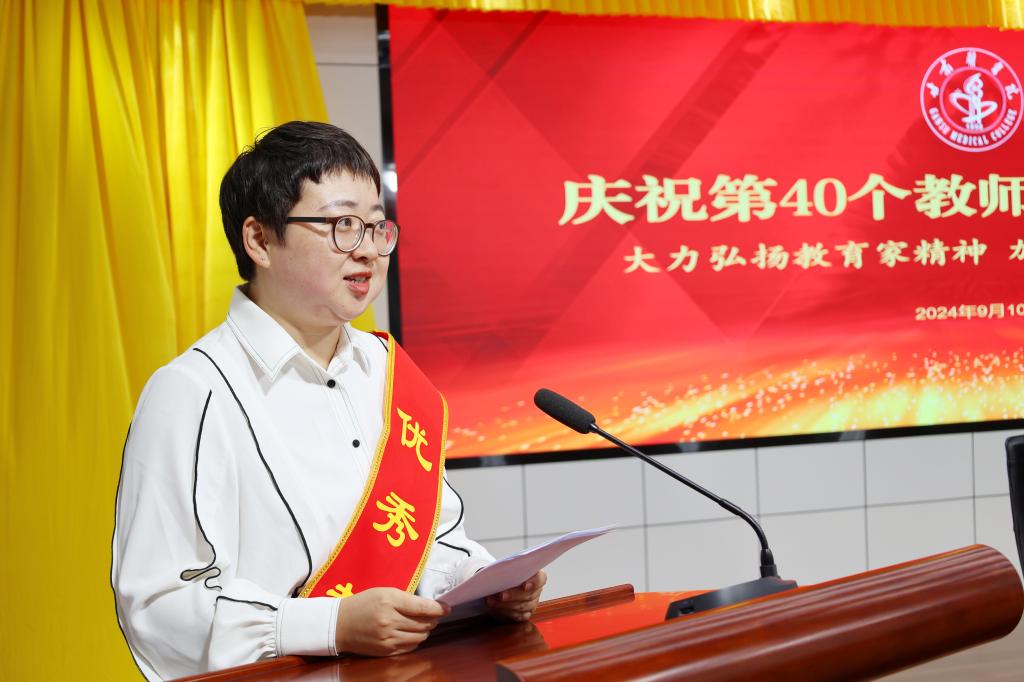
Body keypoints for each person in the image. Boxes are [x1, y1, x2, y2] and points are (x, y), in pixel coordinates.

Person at [111, 121, 546, 680]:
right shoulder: (195, 391)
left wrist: (485, 583)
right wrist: (331, 624)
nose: (367, 250)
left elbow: (430, 539)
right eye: (342, 225)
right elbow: (159, 604)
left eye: (376, 227)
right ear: (259, 240)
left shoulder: (387, 370)